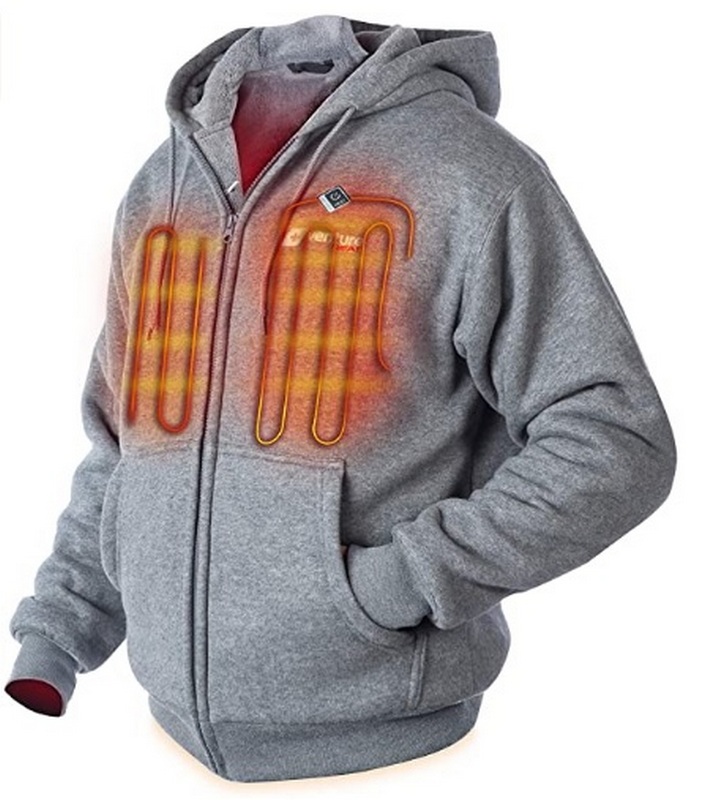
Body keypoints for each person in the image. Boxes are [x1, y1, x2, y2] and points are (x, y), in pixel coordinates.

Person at [4, 15, 677, 783]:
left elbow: (615, 437)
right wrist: (59, 632)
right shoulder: (163, 188)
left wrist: (400, 582)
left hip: (399, 757)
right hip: (164, 754)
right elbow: (125, 446)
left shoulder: (467, 173)